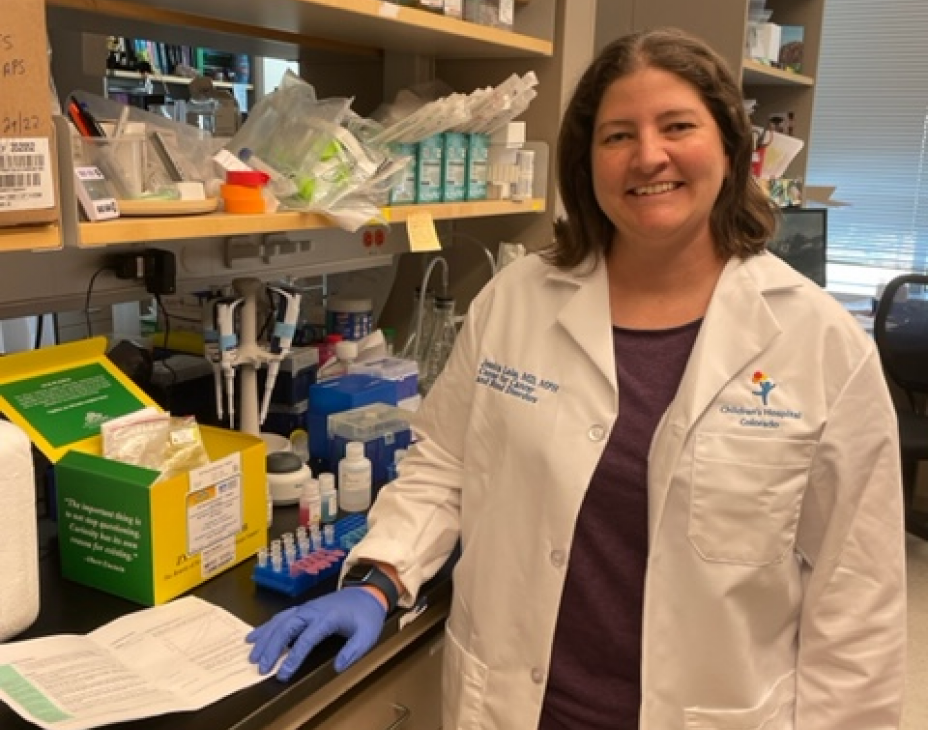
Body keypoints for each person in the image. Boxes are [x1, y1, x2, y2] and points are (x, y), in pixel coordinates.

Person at [247, 27, 907, 729]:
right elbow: (445, 461)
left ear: (729, 145)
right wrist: (382, 576)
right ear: (586, 161)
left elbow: (857, 602)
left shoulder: (823, 345)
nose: (648, 155)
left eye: (678, 126)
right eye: (618, 135)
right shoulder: (517, 300)